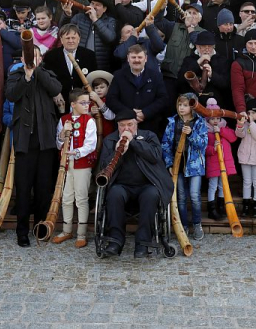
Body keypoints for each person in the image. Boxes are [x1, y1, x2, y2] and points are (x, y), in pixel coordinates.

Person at [6, 44, 62, 247]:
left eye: (35, 56)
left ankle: (40, 226)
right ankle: (22, 231)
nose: (31, 59)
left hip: (45, 139)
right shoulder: (16, 75)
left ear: (40, 58)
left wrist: (37, 70)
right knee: (23, 188)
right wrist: (27, 76)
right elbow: (12, 95)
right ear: (22, 58)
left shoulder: (47, 72)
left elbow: (56, 89)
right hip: (24, 140)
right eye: (28, 56)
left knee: (43, 187)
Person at [99, 110, 174, 259]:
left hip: (147, 184)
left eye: (130, 125)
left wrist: (133, 142)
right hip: (121, 186)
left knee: (152, 195)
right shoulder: (111, 140)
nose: (126, 129)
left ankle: (143, 243)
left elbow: (155, 156)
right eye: (122, 126)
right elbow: (103, 166)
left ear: (136, 124)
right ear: (117, 126)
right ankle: (115, 241)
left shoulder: (148, 136)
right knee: (113, 194)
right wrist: (117, 153)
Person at [52, 89, 97, 248]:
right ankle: (66, 230)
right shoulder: (64, 119)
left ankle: (82, 233)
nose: (87, 105)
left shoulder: (89, 121)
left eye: (87, 102)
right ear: (73, 104)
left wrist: (77, 152)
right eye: (83, 102)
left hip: (82, 164)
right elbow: (58, 143)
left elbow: (91, 145)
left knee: (81, 198)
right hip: (66, 165)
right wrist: (63, 132)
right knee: (66, 197)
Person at [162, 93, 208, 240]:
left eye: (185, 105)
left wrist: (191, 134)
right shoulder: (172, 122)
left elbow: (203, 144)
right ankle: (183, 225)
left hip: (194, 165)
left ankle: (197, 223)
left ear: (192, 107)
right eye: (180, 105)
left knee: (194, 196)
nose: (182, 108)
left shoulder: (200, 122)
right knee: (181, 197)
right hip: (178, 164)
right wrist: (169, 164)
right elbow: (166, 145)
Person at [106, 44, 169, 134]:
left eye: (140, 57)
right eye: (133, 57)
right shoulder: (118, 75)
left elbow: (163, 99)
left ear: (146, 58)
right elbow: (111, 99)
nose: (136, 60)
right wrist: (129, 114)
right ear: (128, 58)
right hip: (124, 126)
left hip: (149, 126)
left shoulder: (156, 75)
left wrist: (145, 113)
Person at [41, 23, 98, 113]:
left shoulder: (89, 55)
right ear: (61, 40)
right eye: (67, 38)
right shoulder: (51, 56)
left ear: (79, 39)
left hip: (83, 103)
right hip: (60, 102)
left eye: (73, 38)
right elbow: (47, 79)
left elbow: (93, 78)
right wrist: (55, 92)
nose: (71, 41)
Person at [154, 2, 205, 102]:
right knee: (167, 106)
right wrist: (161, 9)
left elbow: (198, 45)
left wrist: (190, 26)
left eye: (194, 13)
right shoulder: (174, 26)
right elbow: (158, 21)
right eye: (189, 12)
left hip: (189, 79)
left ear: (200, 18)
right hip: (169, 75)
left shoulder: (203, 33)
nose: (191, 15)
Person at [61, 0, 117, 70]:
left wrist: (95, 20)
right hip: (79, 61)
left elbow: (110, 38)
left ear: (104, 9)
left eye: (98, 5)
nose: (94, 7)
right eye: (92, 3)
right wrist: (66, 16)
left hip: (100, 64)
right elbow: (63, 31)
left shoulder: (110, 21)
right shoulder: (79, 17)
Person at [177, 31, 231, 107]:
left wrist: (212, 75)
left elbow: (226, 84)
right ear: (197, 46)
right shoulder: (189, 60)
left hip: (215, 103)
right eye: (203, 46)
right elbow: (180, 80)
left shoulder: (222, 60)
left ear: (213, 46)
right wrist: (197, 63)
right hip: (193, 102)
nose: (207, 49)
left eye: (209, 46)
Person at [205, 98, 237, 220]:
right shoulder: (206, 132)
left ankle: (222, 206)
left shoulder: (224, 128)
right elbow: (205, 149)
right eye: (212, 119)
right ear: (208, 120)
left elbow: (233, 138)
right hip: (214, 163)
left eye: (217, 119)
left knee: (223, 185)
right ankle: (211, 209)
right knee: (213, 186)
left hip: (224, 163)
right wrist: (213, 149)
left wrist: (221, 131)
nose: (215, 121)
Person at [235, 98, 256, 219]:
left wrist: (251, 122)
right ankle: (246, 205)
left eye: (253, 112)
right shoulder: (245, 123)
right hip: (245, 156)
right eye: (248, 113)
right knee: (247, 182)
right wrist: (240, 124)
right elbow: (239, 134)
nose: (250, 115)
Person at [87, 70, 116, 138]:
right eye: (96, 88)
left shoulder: (111, 100)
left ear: (108, 88)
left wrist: (98, 99)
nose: (99, 90)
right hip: (93, 135)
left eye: (102, 87)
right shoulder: (89, 101)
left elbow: (110, 116)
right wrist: (91, 113)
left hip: (108, 134)